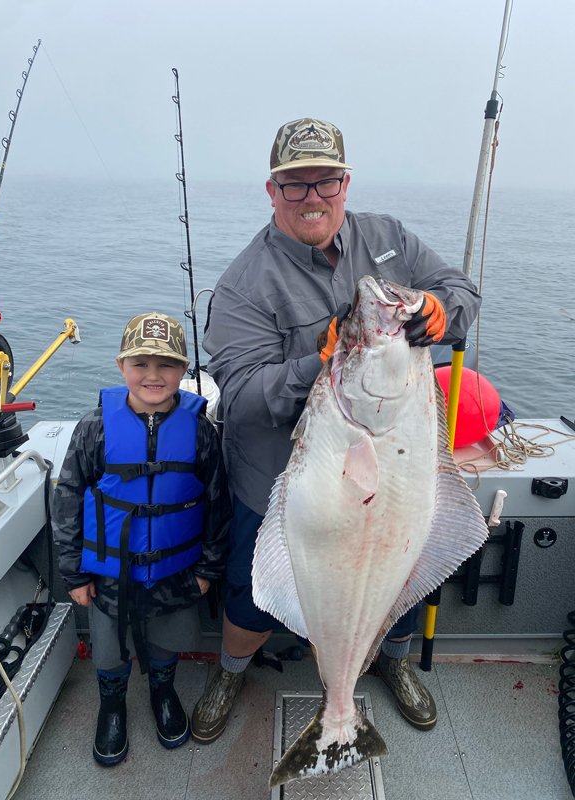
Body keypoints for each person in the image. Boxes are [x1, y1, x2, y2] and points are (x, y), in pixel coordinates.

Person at [192, 118, 482, 744]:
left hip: (398, 462)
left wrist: (440, 310)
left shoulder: (387, 238)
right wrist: (321, 364)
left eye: (325, 180)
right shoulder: (243, 284)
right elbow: (240, 398)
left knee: (400, 573)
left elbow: (460, 291)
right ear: (272, 191)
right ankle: (232, 670)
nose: (312, 197)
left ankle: (389, 665)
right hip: (283, 480)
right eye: (295, 185)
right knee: (251, 593)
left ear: (345, 182)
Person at [53, 312, 231, 766]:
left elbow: (217, 503)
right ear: (120, 366)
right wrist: (73, 571)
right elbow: (69, 496)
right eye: (141, 364)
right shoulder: (93, 428)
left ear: (184, 370)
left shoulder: (201, 432)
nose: (153, 376)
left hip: (176, 571)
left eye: (167, 365)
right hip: (108, 573)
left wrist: (209, 569)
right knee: (109, 647)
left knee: (167, 637)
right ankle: (112, 703)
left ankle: (163, 691)